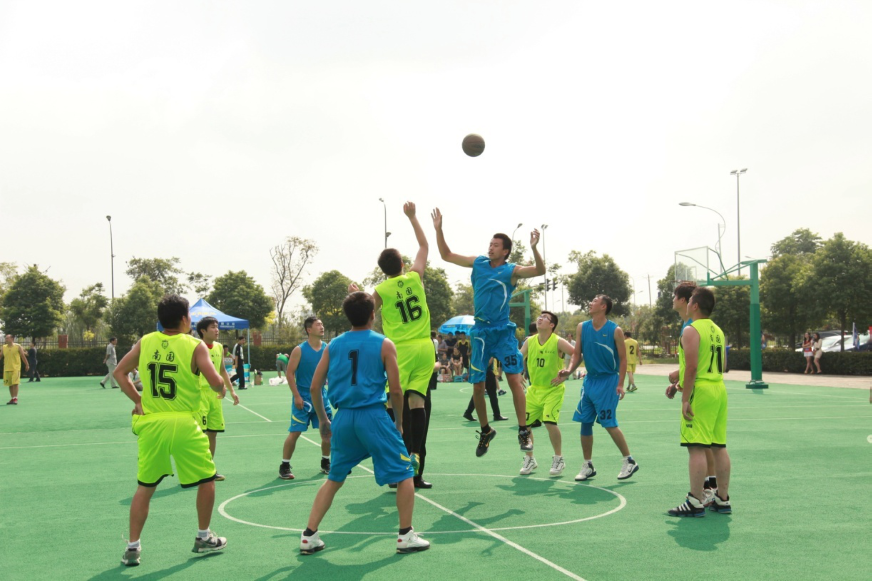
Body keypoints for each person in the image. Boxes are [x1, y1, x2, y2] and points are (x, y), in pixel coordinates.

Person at [299, 291, 429, 556]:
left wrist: (323, 420)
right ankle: (406, 535)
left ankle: (309, 535)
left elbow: (314, 387)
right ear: (373, 315)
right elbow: (396, 391)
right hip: (373, 416)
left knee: (334, 478)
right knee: (405, 472)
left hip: (343, 417)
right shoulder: (384, 343)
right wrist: (399, 423)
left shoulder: (333, 345)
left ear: (347, 316)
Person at [113, 295, 228, 566]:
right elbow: (215, 381)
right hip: (185, 423)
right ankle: (203, 536)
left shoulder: (146, 342)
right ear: (185, 318)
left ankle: (132, 547)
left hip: (152, 424)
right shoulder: (194, 345)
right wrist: (222, 387)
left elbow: (119, 373)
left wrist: (138, 400)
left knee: (145, 487)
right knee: (207, 479)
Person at [432, 208, 545, 456]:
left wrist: (535, 248)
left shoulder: (511, 270)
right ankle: (485, 431)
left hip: (503, 333)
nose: (490, 247)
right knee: (477, 386)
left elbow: (539, 271)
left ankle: (523, 430)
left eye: (495, 245)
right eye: (490, 244)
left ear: (505, 251)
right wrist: (439, 230)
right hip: (481, 333)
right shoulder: (479, 263)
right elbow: (446, 255)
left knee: (514, 380)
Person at [349, 201, 433, 484]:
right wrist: (413, 217)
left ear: (383, 271)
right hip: (425, 347)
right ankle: (415, 454)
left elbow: (365, 313)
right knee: (418, 403)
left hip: (400, 350)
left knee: (393, 406)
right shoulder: (415, 277)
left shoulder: (381, 290)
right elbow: (424, 246)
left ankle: (395, 459)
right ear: (402, 264)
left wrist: (356, 294)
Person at [556, 295, 639, 481]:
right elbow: (577, 354)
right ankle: (588, 465)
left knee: (609, 423)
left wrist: (620, 383)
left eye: (594, 300)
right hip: (590, 381)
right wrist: (569, 371)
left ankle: (629, 460)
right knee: (585, 422)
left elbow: (623, 359)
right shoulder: (582, 327)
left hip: (608, 381)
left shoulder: (615, 330)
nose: (590, 302)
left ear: (603, 306)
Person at [667, 287, 732, 517]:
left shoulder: (691, 330)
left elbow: (692, 367)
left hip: (701, 391)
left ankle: (695, 501)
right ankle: (722, 499)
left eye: (689, 301)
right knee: (718, 446)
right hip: (719, 389)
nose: (686, 304)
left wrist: (685, 398)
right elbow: (723, 365)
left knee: (696, 447)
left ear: (694, 305)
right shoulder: (718, 330)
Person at [519, 311, 575, 476]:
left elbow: (576, 354)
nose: (540, 318)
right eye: (539, 316)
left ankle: (558, 458)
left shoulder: (558, 341)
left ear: (551, 325)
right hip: (534, 389)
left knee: (550, 423)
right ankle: (530, 459)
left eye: (545, 318)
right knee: (524, 427)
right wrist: (517, 372)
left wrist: (568, 372)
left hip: (553, 389)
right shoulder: (530, 341)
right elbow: (518, 357)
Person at [280, 317, 331, 480]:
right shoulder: (299, 350)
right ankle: (284, 465)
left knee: (327, 431)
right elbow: (290, 373)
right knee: (295, 432)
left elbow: (331, 372)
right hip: (303, 398)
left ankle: (326, 462)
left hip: (321, 397)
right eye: (318, 325)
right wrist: (296, 396)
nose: (322, 327)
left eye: (322, 324)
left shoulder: (327, 349)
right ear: (309, 330)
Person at [196, 316, 240, 481]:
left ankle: (209, 470)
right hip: (199, 394)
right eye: (213, 327)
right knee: (199, 434)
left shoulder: (219, 347)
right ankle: (196, 470)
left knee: (213, 433)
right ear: (203, 331)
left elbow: (222, 370)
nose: (217, 330)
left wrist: (231, 390)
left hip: (215, 395)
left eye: (217, 327)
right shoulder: (195, 347)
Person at [1, 334, 30, 405]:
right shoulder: (3, 347)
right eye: (6, 338)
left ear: (12, 339)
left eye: (7, 338)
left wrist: (27, 364)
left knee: (15, 383)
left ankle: (15, 398)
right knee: (10, 384)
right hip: (7, 368)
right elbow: (0, 355)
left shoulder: (18, 346)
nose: (6, 339)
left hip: (15, 368)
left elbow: (22, 356)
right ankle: (12, 398)